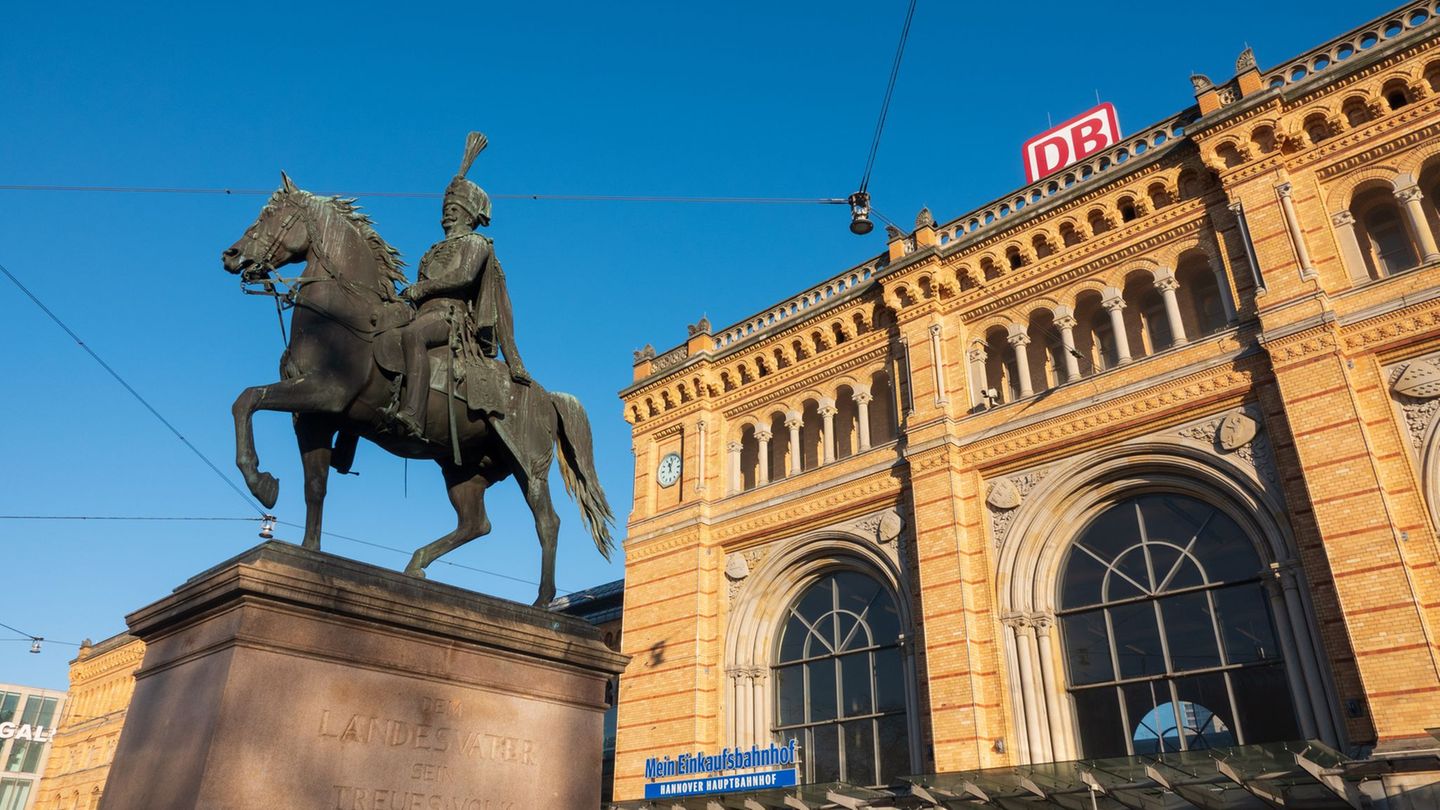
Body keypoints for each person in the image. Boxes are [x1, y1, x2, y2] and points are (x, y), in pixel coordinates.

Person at [393, 132, 530, 439]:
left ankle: (414, 413)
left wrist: (423, 290)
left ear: (468, 215)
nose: (447, 215)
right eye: (446, 210)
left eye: (454, 210)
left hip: (451, 320)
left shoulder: (476, 243)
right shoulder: (432, 250)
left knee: (414, 335)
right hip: (423, 312)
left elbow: (464, 278)